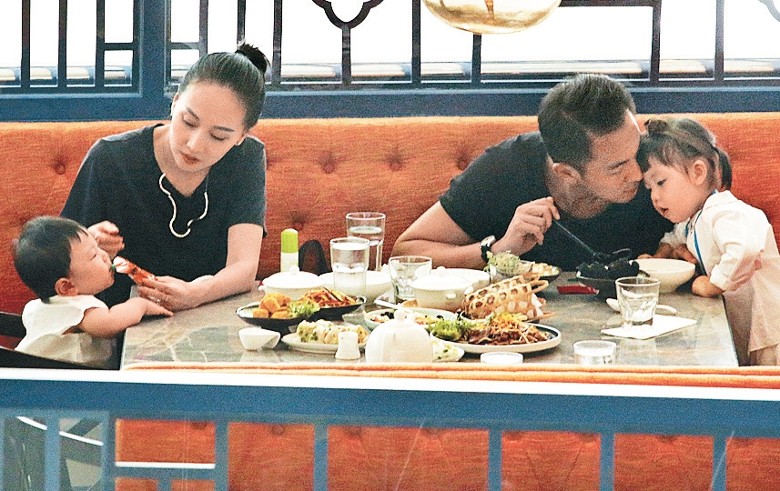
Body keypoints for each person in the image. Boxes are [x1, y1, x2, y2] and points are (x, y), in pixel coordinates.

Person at [62, 43, 269, 311]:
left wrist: (196, 294)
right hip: (118, 321)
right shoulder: (111, 158)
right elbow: (56, 266)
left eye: (218, 136)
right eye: (188, 122)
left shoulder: (246, 157)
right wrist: (88, 247)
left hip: (211, 315)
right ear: (175, 102)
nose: (194, 145)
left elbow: (244, 267)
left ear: (241, 136)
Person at [392, 74, 671, 271]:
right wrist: (500, 250)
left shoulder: (663, 160)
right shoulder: (506, 168)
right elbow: (406, 253)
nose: (638, 174)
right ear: (567, 173)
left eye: (636, 150)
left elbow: (695, 234)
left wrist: (681, 254)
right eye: (617, 167)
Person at [637, 117, 780, 366]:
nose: (655, 197)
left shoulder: (725, 211)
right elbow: (674, 238)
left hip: (771, 331)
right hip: (750, 330)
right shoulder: (693, 219)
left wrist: (714, 284)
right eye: (650, 188)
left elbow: (744, 249)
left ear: (698, 172)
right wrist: (660, 257)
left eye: (660, 182)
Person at [13, 216, 172, 368]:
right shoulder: (75, 307)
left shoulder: (45, 304)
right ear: (66, 286)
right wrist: (140, 305)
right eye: (94, 255)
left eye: (98, 247)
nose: (105, 256)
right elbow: (109, 324)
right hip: (52, 381)